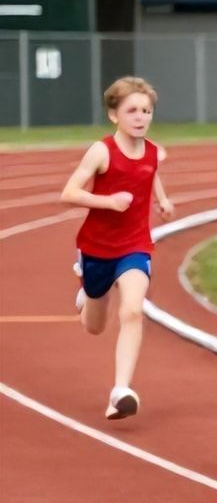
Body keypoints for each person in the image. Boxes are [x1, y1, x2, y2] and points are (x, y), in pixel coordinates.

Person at [60, 77, 176, 420]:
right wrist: (108, 201)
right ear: (114, 115)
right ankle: (86, 289)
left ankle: (120, 390)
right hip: (96, 248)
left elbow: (149, 172)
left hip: (135, 245)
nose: (140, 117)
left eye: (146, 111)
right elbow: (68, 194)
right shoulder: (101, 151)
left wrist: (163, 200)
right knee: (94, 326)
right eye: (132, 111)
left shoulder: (154, 151)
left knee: (133, 311)